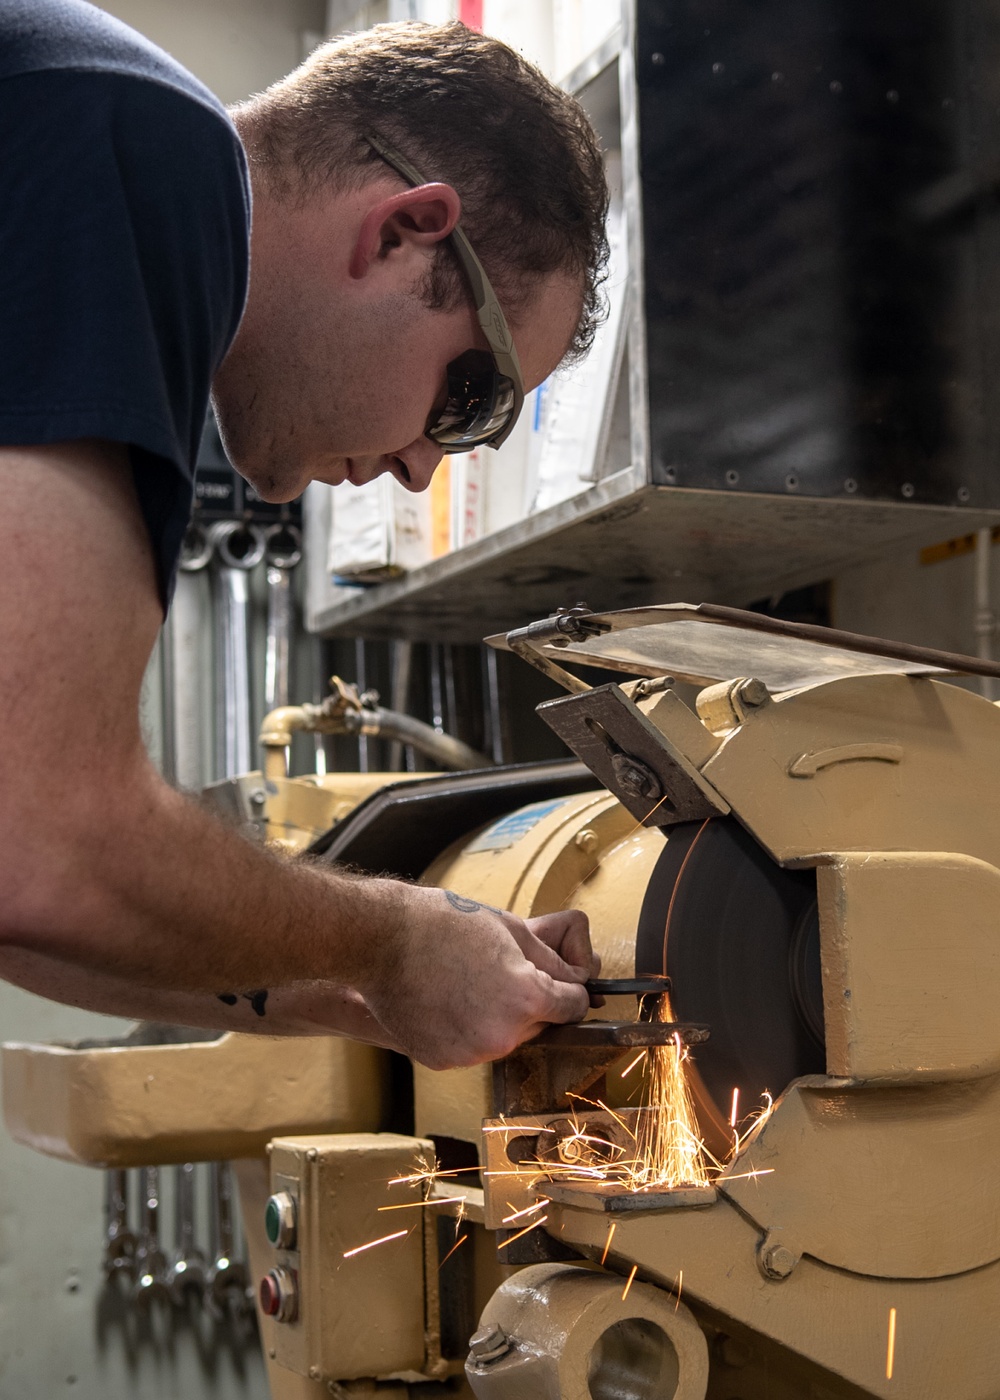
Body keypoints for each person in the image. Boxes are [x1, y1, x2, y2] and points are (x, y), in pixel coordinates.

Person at [0, 1, 610, 1070]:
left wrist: (356, 990)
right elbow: (42, 840)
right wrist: (390, 939)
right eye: (471, 400)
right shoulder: (137, 142)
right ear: (401, 230)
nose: (426, 466)